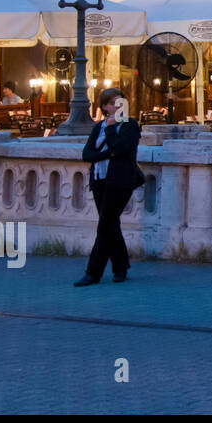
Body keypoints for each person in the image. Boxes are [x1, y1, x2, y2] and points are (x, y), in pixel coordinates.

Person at [75, 88, 144, 286]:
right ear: (105, 106)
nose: (118, 106)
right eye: (114, 102)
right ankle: (121, 267)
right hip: (99, 180)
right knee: (111, 224)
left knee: (105, 225)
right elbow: (87, 155)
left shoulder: (130, 126)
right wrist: (108, 153)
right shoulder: (98, 127)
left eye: (121, 102)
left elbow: (121, 149)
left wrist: (111, 129)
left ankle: (92, 272)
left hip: (120, 181)